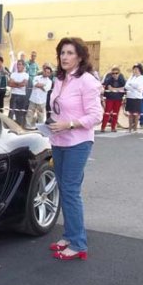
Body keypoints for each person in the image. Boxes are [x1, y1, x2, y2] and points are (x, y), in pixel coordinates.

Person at [46, 38, 102, 260]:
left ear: (80, 56)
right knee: (64, 188)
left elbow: (96, 116)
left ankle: (79, 244)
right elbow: (60, 109)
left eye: (70, 53)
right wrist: (52, 124)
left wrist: (69, 124)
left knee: (70, 191)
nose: (65, 57)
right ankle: (69, 235)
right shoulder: (60, 79)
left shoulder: (87, 81)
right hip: (58, 139)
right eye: (62, 53)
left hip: (78, 142)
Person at [25, 64, 53, 129]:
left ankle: (40, 128)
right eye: (45, 71)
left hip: (42, 101)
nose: (46, 73)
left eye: (48, 72)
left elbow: (46, 89)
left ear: (49, 74)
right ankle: (28, 126)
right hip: (33, 99)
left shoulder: (49, 81)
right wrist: (43, 85)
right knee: (30, 114)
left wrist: (39, 85)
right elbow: (34, 84)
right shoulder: (36, 77)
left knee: (41, 116)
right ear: (43, 71)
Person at [100, 66, 126, 132]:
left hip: (118, 99)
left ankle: (113, 127)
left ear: (119, 73)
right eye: (113, 73)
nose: (114, 75)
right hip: (110, 98)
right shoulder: (109, 79)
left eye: (116, 73)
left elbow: (124, 88)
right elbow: (109, 87)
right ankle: (103, 127)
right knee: (106, 113)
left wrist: (114, 89)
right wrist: (118, 89)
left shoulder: (122, 79)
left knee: (115, 113)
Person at [124, 64, 143, 133]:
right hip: (130, 96)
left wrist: (131, 85)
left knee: (136, 114)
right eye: (134, 69)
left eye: (137, 69)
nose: (135, 70)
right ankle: (130, 128)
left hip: (137, 97)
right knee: (130, 113)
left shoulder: (142, 77)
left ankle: (135, 128)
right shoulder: (131, 77)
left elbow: (139, 87)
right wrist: (133, 87)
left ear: (140, 70)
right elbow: (126, 86)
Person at [8, 59, 29, 127]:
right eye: (17, 64)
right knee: (11, 112)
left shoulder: (26, 75)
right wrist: (19, 84)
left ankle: (19, 127)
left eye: (20, 64)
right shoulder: (13, 74)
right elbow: (10, 84)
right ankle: (9, 126)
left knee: (20, 113)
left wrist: (15, 83)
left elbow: (24, 84)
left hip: (22, 96)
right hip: (14, 94)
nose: (18, 66)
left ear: (23, 66)